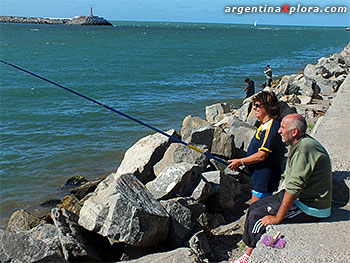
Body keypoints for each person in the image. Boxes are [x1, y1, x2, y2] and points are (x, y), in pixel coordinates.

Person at [232, 113, 332, 263]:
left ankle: (249, 255)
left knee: (257, 215)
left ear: (294, 132)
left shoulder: (304, 149)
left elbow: (294, 188)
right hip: (302, 197)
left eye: (283, 128)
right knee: (254, 206)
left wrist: (277, 217)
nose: (279, 131)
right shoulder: (301, 143)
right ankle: (248, 250)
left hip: (310, 206)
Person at [228, 91, 285, 204]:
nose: (254, 108)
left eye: (258, 105)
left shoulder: (272, 127)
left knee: (255, 211)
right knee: (258, 210)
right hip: (259, 176)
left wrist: (240, 161)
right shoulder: (265, 125)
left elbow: (262, 155)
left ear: (268, 107)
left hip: (264, 178)